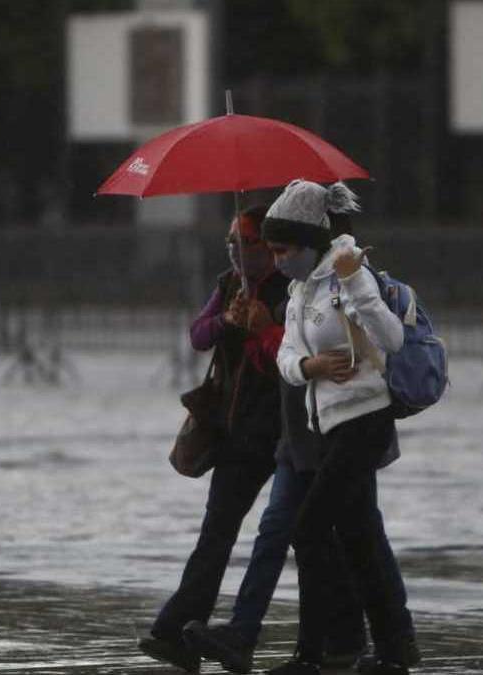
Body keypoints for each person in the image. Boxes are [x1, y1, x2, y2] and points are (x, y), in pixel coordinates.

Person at [180, 210, 388, 674]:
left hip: (342, 428)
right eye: (233, 241)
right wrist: (244, 329)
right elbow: (288, 358)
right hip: (297, 431)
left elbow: (375, 343)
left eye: (272, 248)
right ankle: (273, 640)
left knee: (355, 534)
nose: (245, 252)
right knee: (287, 529)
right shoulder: (279, 290)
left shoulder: (335, 283)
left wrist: (273, 338)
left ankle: (383, 641)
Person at [262, 179, 419, 675]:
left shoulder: (350, 274)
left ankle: (314, 653)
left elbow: (392, 339)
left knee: (307, 528)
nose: (276, 260)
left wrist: (355, 284)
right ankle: (393, 650)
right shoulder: (299, 290)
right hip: (327, 426)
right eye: (271, 250)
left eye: (283, 249)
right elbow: (285, 355)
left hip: (364, 419)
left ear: (309, 243)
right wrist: (309, 368)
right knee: (357, 538)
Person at [138, 205, 290, 673]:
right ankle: (177, 627)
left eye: (243, 242)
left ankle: (330, 638)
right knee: (215, 534)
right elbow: (199, 334)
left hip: (285, 431)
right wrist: (228, 320)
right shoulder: (228, 285)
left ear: (267, 246)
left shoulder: (293, 286)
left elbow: (293, 353)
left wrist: (262, 327)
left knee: (297, 535)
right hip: (235, 431)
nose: (235, 252)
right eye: (230, 243)